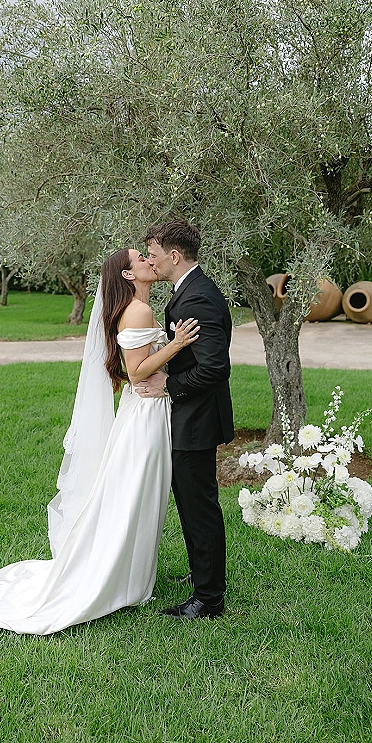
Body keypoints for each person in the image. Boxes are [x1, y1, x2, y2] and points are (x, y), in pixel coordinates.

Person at [0, 248, 199, 635]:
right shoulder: (137, 312)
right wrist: (176, 345)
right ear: (127, 275)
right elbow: (137, 372)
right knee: (135, 495)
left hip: (146, 412)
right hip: (145, 414)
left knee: (136, 495)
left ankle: (130, 576)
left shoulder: (141, 308)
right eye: (142, 259)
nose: (150, 262)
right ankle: (119, 578)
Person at [138, 219, 234, 620]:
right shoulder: (191, 291)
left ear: (174, 256)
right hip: (191, 416)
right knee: (192, 502)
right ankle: (202, 572)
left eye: (155, 255)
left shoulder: (196, 299)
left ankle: (209, 599)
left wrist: (169, 385)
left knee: (199, 506)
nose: (152, 262)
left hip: (195, 420)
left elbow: (215, 368)